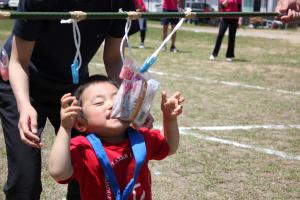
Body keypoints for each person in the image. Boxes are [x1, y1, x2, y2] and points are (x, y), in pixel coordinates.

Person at [0, 0, 140, 199]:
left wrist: (130, 100)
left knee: (85, 168)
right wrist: (24, 105)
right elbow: (18, 62)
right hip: (23, 83)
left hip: (73, 86)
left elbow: (114, 59)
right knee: (24, 180)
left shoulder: (120, 2)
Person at [48, 74, 185, 200]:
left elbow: (170, 147)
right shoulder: (83, 148)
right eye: (99, 103)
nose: (112, 105)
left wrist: (170, 120)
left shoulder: (141, 138)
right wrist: (65, 128)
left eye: (118, 99)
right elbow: (58, 172)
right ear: (80, 123)